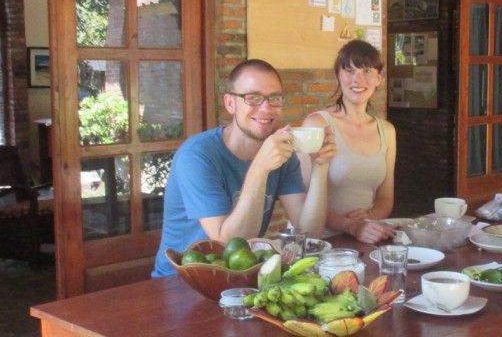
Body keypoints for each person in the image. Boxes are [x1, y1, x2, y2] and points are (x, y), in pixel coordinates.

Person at [152, 59, 336, 278]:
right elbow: (228, 244)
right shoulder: (197, 155)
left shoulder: (283, 153)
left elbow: (309, 232)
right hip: (181, 283)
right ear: (230, 103)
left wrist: (321, 166)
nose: (266, 108)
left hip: (239, 278)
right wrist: (259, 169)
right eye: (253, 98)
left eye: (274, 98)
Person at [298, 40, 397, 245]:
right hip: (320, 240)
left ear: (379, 78)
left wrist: (370, 220)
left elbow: (385, 198)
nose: (358, 79)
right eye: (349, 70)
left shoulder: (387, 130)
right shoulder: (318, 124)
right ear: (338, 77)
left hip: (363, 238)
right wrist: (350, 225)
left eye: (367, 71)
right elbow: (305, 199)